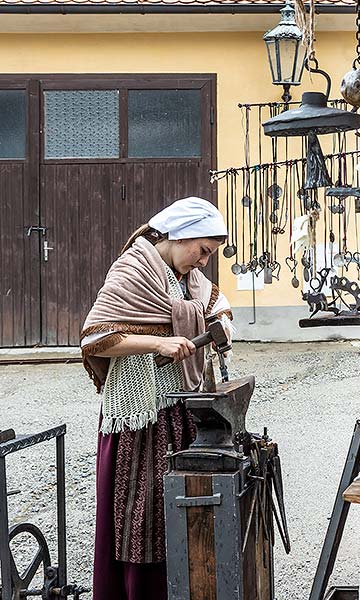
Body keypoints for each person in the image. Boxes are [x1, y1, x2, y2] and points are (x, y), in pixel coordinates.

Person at [81, 197, 233, 600]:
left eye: (209, 255)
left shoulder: (188, 280)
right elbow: (96, 337)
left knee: (178, 513)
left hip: (179, 410)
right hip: (139, 416)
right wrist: (159, 344)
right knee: (141, 517)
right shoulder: (134, 269)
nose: (203, 262)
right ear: (181, 235)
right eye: (202, 251)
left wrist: (222, 323)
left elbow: (216, 306)